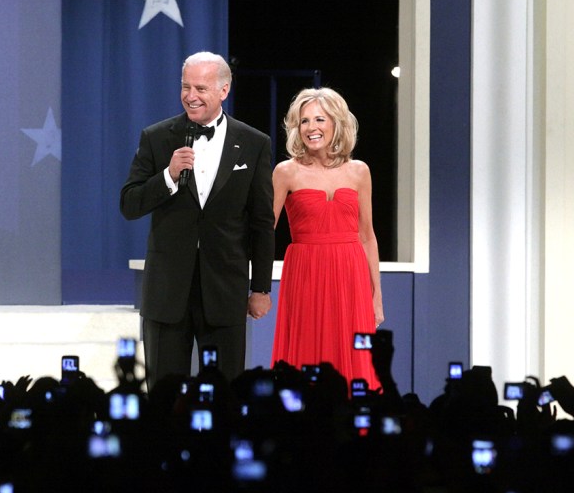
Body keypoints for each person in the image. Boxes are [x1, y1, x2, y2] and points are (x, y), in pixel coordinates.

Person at [120, 52, 275, 392]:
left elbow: (262, 222)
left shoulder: (254, 143)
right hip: (167, 293)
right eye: (185, 87)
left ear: (224, 90)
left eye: (201, 88)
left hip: (224, 291)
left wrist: (261, 287)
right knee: (163, 393)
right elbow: (129, 204)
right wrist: (169, 175)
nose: (191, 96)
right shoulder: (157, 137)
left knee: (225, 394)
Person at [271, 87, 384, 389]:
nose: (311, 128)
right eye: (304, 121)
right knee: (305, 357)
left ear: (337, 123)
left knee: (354, 359)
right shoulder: (286, 172)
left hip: (352, 278)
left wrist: (376, 295)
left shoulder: (359, 172)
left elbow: (367, 236)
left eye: (319, 119)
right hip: (305, 274)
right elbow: (264, 230)